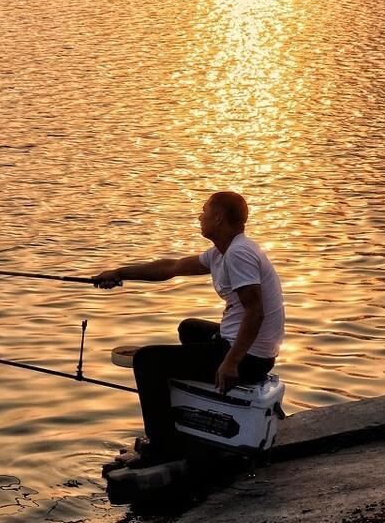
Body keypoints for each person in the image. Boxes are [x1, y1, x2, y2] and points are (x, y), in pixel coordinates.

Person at [93, 191, 285, 465]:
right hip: (246, 347)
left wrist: (230, 363)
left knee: (148, 361)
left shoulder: (238, 254)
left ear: (218, 218)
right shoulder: (223, 251)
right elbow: (172, 267)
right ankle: (199, 417)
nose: (200, 216)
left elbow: (255, 312)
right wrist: (120, 272)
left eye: (204, 211)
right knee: (189, 328)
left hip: (250, 358)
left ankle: (163, 446)